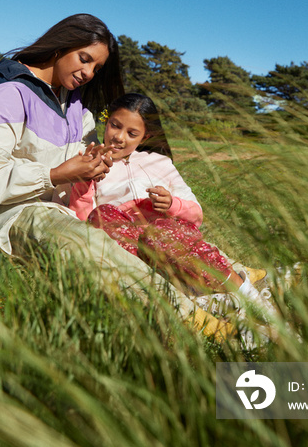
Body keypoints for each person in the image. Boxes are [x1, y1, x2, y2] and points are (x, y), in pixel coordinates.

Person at [0, 15, 236, 342]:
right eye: (85, 59)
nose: (88, 74)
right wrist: (55, 174)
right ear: (60, 47)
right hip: (9, 211)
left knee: (126, 227)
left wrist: (94, 166)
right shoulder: (7, 93)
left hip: (58, 205)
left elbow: (83, 158)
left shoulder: (74, 104)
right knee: (85, 245)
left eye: (96, 68)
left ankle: (223, 278)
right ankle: (192, 319)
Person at [68, 92, 274, 315]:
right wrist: (85, 178)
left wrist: (172, 205)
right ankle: (182, 295)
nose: (119, 137)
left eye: (132, 133)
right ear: (106, 122)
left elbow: (196, 214)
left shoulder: (160, 163)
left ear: (145, 138)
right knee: (103, 213)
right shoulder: (93, 164)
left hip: (169, 241)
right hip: (130, 250)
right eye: (115, 126)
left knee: (160, 231)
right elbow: (82, 218)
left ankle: (247, 295)